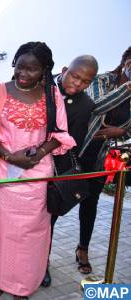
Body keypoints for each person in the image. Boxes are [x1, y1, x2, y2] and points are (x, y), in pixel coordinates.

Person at [0, 42, 75, 299]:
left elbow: (59, 134)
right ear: (14, 64)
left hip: (38, 173)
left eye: (32, 70)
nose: (24, 74)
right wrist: (10, 156)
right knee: (2, 230)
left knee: (32, 233)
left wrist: (39, 153)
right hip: (5, 171)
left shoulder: (53, 96)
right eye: (20, 67)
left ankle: (24, 283)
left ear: (43, 70)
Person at [39, 55, 99, 287]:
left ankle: (41, 263)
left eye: (85, 81)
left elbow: (72, 140)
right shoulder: (40, 85)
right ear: (64, 70)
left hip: (53, 169)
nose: (78, 83)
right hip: (20, 161)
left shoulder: (86, 106)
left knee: (47, 222)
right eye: (75, 76)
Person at [75, 46, 131, 275]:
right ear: (127, 61)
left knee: (90, 206)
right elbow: (95, 107)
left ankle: (83, 249)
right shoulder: (103, 80)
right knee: (57, 205)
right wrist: (128, 88)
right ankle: (44, 255)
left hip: (99, 158)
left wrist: (121, 132)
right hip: (75, 152)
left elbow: (127, 128)